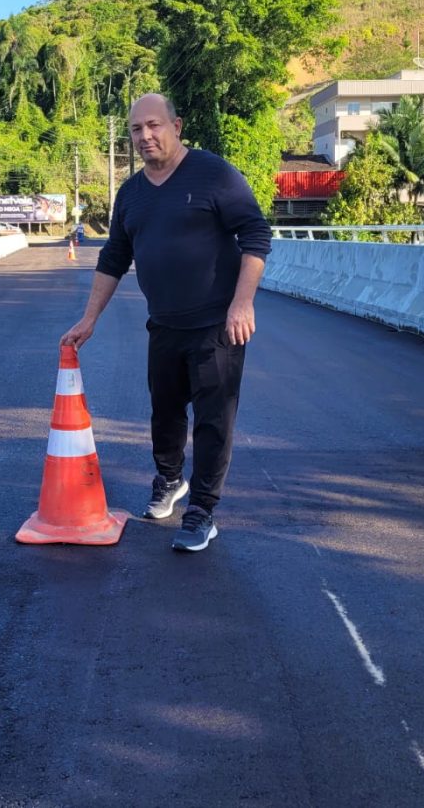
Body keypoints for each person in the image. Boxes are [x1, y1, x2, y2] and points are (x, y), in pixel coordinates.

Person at [60, 93, 270, 552]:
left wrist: (242, 304)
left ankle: (202, 511)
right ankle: (169, 480)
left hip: (218, 324)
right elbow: (115, 256)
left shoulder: (214, 174)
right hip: (165, 324)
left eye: (154, 126)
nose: (145, 136)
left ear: (176, 125)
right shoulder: (131, 193)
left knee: (214, 420)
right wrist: (90, 318)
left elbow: (255, 234)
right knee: (165, 412)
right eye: (136, 129)